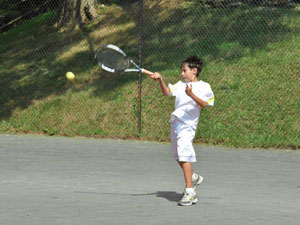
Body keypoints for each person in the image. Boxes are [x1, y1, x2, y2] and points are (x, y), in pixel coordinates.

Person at [150, 56, 214, 206]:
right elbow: (167, 93)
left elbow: (204, 104)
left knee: (184, 155)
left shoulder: (204, 86)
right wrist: (160, 79)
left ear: (194, 71)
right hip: (175, 124)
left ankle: (190, 192)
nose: (182, 74)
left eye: (184, 71)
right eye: (182, 71)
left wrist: (191, 95)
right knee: (178, 156)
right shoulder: (180, 85)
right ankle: (193, 177)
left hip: (188, 125)